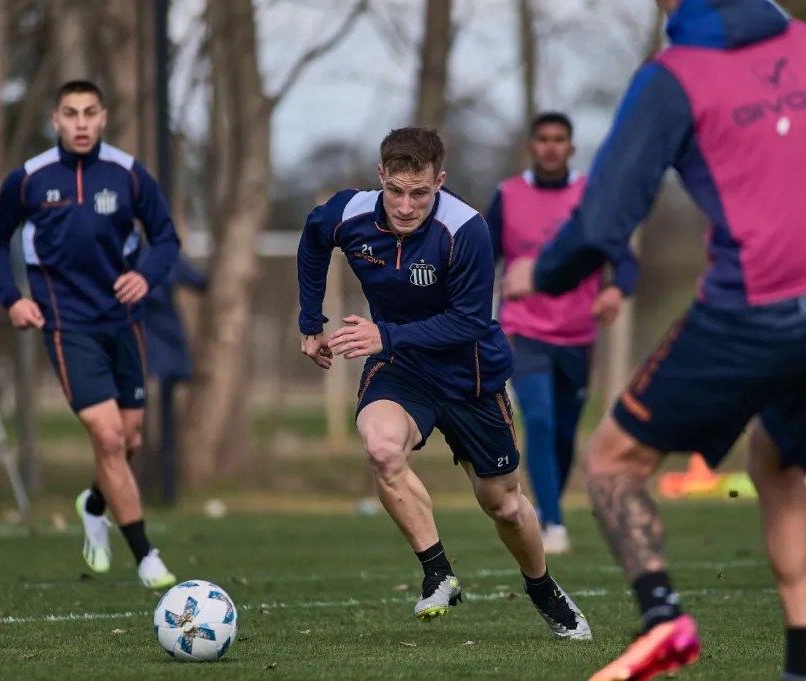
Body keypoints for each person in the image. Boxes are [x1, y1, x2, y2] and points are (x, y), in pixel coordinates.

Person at [501, 1, 806, 679]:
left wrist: (538, 271)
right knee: (779, 460)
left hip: (754, 311)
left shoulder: (676, 75)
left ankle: (664, 620)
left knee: (611, 461)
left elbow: (600, 224)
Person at [297, 126, 590, 639]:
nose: (406, 206)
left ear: (440, 182)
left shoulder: (467, 228)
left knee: (501, 503)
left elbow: (470, 323)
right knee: (383, 449)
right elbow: (313, 238)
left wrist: (383, 334)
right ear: (381, 176)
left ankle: (543, 588)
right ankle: (438, 571)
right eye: (396, 191)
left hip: (469, 375)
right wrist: (309, 322)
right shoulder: (350, 214)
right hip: (402, 370)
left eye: (420, 193)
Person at [0, 80, 181, 589]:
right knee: (110, 438)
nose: (81, 123)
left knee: (130, 438)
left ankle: (94, 503)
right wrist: (13, 298)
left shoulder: (129, 175)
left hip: (125, 323)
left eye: (90, 112)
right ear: (56, 120)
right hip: (67, 326)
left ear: (104, 116)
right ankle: (145, 556)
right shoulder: (28, 179)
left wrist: (147, 276)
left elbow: (166, 238)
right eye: (70, 113)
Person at [487, 112, 638, 555]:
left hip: (577, 334)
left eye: (559, 139)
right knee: (538, 418)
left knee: (564, 434)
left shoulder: (589, 196)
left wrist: (615, 290)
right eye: (543, 139)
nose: (551, 146)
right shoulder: (508, 196)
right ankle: (552, 523)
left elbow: (624, 260)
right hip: (523, 329)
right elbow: (483, 257)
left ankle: (551, 506)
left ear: (571, 147)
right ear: (531, 146)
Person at [123, 232, 207, 506]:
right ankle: (162, 490)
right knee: (158, 426)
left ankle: (148, 489)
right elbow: (199, 282)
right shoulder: (160, 256)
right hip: (161, 355)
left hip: (149, 355)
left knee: (145, 425)